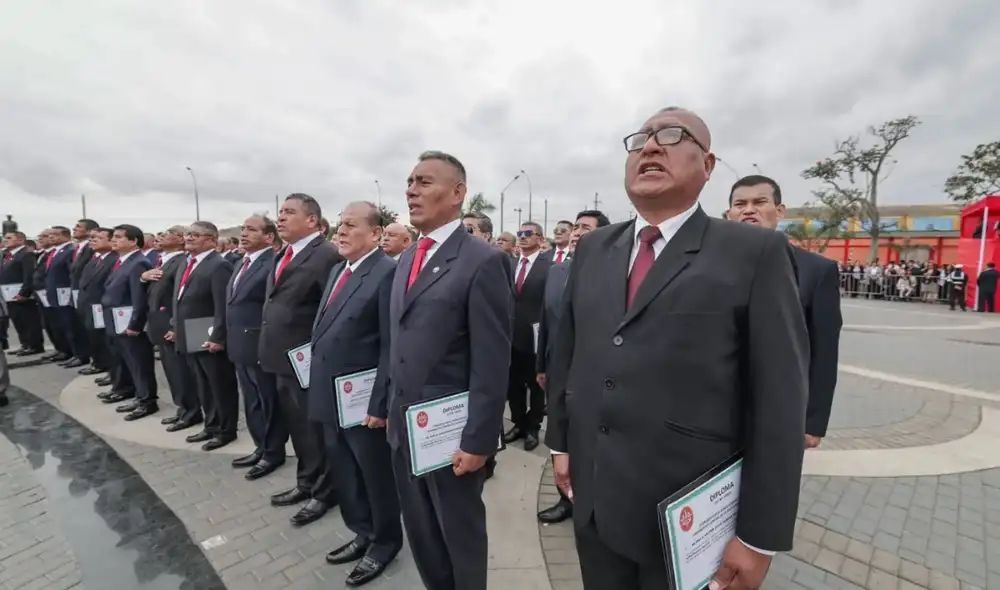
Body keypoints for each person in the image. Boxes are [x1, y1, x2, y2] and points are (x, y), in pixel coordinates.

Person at [546, 107, 808, 590]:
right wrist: (561, 443)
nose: (649, 146)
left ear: (707, 166)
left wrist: (759, 537)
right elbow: (570, 355)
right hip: (596, 504)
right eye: (640, 138)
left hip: (687, 523)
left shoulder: (754, 254)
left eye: (670, 135)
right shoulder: (594, 249)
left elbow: (780, 403)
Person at [388, 151, 513, 590]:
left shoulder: (483, 261)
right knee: (422, 533)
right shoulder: (407, 257)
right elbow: (397, 343)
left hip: (450, 436)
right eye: (409, 181)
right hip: (404, 427)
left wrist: (478, 441)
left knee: (457, 536)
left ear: (457, 193)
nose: (411, 190)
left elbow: (492, 361)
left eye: (424, 182)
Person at [310, 201, 402, 586]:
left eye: (351, 225)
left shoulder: (386, 274)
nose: (340, 232)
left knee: (373, 474)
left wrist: (379, 403)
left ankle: (384, 543)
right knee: (345, 471)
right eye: (340, 225)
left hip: (363, 402)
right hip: (330, 395)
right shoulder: (337, 270)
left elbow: (390, 346)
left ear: (376, 233)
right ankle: (361, 531)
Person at [726, 175, 843, 448]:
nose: (748, 209)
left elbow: (824, 350)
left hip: (780, 407)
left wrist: (813, 421)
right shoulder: (707, 263)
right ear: (729, 214)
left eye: (759, 202)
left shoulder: (817, 270)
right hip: (716, 406)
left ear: (779, 211)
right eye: (740, 204)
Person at [260, 193, 343, 526]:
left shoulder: (326, 255)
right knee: (298, 429)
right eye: (280, 211)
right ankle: (306, 482)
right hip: (282, 359)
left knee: (315, 432)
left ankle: (325, 492)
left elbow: (332, 310)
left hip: (307, 362)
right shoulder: (285, 252)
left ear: (312, 220)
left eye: (289, 212)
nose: (280, 217)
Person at [535, 209, 610, 525]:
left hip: (593, 374)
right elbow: (548, 322)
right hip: (557, 368)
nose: (578, 232)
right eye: (576, 227)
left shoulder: (610, 273)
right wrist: (542, 364)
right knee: (559, 434)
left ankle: (594, 499)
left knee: (587, 438)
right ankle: (564, 498)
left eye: (587, 228)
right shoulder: (557, 271)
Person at [226, 216, 285, 479]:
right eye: (243, 228)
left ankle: (273, 452)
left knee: (267, 401)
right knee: (251, 400)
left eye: (251, 229)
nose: (244, 233)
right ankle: (260, 446)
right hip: (239, 345)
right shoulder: (241, 263)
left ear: (269, 237)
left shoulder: (272, 263)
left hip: (259, 346)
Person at [171, 221, 239, 450]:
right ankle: (211, 425)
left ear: (211, 240)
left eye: (195, 235)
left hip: (208, 333)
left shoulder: (218, 266)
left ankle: (226, 430)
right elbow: (179, 299)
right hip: (189, 331)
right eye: (188, 234)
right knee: (202, 384)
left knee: (219, 385)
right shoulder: (186, 262)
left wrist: (219, 337)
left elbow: (223, 305)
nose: (189, 238)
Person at [101, 224, 157, 421]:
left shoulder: (138, 263)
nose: (114, 240)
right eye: (113, 237)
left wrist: (135, 324)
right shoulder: (122, 261)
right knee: (129, 362)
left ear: (133, 241)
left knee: (139, 363)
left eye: (119, 237)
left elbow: (139, 298)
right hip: (116, 320)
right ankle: (138, 395)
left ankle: (147, 401)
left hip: (129, 323)